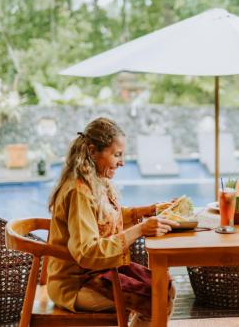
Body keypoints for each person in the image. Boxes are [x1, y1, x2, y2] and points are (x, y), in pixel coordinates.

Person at [46, 117, 178, 327]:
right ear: (92, 151)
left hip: (102, 271)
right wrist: (140, 229)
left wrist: (146, 211)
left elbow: (104, 217)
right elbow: (87, 252)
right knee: (155, 299)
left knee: (167, 287)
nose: (122, 162)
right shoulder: (79, 191)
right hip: (76, 285)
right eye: (117, 155)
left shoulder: (95, 181)